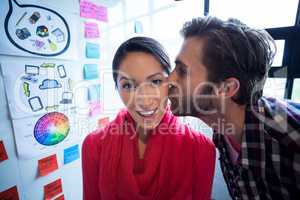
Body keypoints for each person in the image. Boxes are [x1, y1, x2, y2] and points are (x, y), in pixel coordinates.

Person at [168, 16, 300, 199]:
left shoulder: (289, 136)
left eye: (182, 71)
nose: (169, 80)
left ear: (227, 88)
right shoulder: (222, 131)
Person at [82, 36, 216, 200]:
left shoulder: (201, 149)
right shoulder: (94, 146)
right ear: (117, 88)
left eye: (156, 81)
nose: (144, 101)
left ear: (170, 83)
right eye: (128, 85)